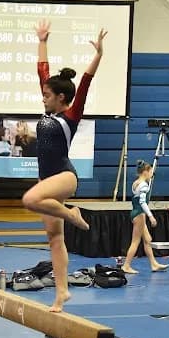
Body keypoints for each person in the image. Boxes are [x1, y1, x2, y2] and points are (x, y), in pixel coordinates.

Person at [21, 19, 106, 312]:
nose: (42, 97)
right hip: (49, 179)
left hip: (64, 176)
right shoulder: (49, 109)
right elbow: (42, 71)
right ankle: (61, 293)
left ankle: (72, 214)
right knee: (54, 239)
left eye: (47, 95)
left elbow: (84, 83)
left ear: (61, 98)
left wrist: (98, 55)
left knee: (30, 199)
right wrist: (43, 40)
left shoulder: (70, 116)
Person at [120, 159, 169, 274]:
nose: (152, 174)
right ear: (145, 172)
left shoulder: (135, 183)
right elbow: (142, 202)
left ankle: (153, 264)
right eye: (151, 172)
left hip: (135, 213)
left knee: (147, 240)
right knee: (135, 242)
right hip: (139, 214)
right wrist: (151, 216)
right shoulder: (144, 185)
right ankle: (126, 265)